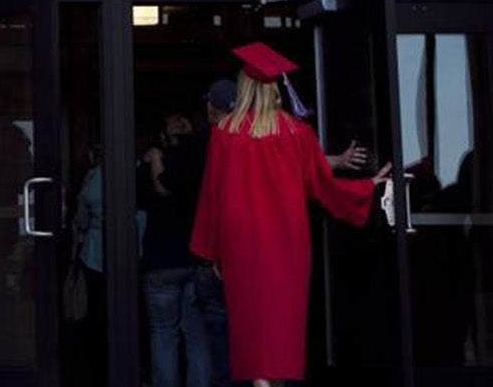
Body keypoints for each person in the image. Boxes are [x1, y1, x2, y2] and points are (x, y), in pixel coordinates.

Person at [189, 43, 391, 387]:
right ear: (275, 90)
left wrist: (214, 252)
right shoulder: (297, 133)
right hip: (287, 248)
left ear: (245, 88)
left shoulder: (224, 134)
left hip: (243, 249)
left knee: (252, 335)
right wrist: (367, 186)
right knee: (281, 334)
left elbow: (213, 194)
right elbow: (323, 186)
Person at [141, 113, 210, 387]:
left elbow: (150, 196)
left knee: (163, 334)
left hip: (160, 263)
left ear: (162, 137)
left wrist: (153, 158)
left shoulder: (152, 166)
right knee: (197, 337)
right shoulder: (200, 165)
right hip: (194, 260)